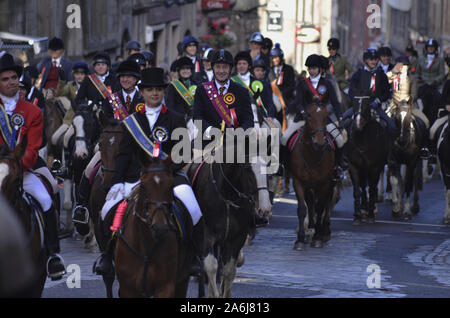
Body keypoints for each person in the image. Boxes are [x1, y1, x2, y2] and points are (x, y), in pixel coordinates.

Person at [95, 67, 205, 276]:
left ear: (163, 92)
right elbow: (124, 155)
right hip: (135, 176)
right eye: (149, 90)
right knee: (106, 209)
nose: (154, 93)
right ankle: (106, 256)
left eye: (158, 89)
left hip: (170, 175)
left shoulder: (175, 117)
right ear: (142, 92)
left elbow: (184, 152)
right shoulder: (131, 122)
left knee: (193, 208)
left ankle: (195, 257)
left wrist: (166, 168)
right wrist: (117, 181)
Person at [0, 53, 65, 280]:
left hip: (23, 170)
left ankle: (53, 254)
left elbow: (33, 146)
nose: (12, 82)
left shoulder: (33, 111)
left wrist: (16, 166)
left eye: (14, 78)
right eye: (6, 79)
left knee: (46, 199)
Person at [73, 60, 143, 234]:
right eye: (123, 77)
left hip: (138, 146)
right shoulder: (111, 99)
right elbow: (103, 123)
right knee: (89, 169)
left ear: (136, 79)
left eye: (130, 77)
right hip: (112, 144)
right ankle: (82, 207)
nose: (126, 80)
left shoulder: (143, 99)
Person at [288, 54, 346, 180]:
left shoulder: (327, 83)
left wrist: (340, 120)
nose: (311, 71)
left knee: (340, 140)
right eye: (309, 68)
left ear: (319, 69)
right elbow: (298, 101)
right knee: (285, 138)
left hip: (322, 119)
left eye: (314, 68)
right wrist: (303, 112)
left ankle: (338, 167)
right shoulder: (302, 83)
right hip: (304, 118)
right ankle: (284, 167)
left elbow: (335, 103)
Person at [343, 48, 395, 138]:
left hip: (375, 105)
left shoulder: (381, 75)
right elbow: (351, 91)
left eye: (375, 59)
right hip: (359, 105)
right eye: (371, 59)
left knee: (391, 126)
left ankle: (389, 150)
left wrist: (378, 100)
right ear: (365, 60)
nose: (373, 62)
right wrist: (356, 101)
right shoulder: (358, 74)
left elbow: (387, 92)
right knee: (344, 121)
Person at [385, 56, 431, 157]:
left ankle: (424, 147)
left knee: (426, 122)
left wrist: (406, 102)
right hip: (394, 107)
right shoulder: (392, 77)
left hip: (409, 107)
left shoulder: (412, 78)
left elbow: (414, 94)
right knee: (382, 122)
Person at [51, 61, 90, 150]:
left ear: (86, 75)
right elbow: (59, 93)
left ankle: (68, 161)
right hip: (70, 119)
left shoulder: (90, 85)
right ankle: (57, 160)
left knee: (66, 138)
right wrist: (61, 81)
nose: (79, 76)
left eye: (82, 74)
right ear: (73, 75)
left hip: (85, 119)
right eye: (77, 74)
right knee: (54, 138)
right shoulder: (70, 85)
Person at [232, 51, 276, 120]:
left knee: (274, 129)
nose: (241, 66)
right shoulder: (232, 81)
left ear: (249, 66)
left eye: (244, 64)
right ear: (236, 66)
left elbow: (269, 102)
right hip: (237, 117)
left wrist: (270, 116)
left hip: (259, 117)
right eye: (239, 64)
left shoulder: (260, 83)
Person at [416, 38, 446, 125]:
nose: (430, 49)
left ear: (435, 49)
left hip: (434, 85)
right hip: (423, 85)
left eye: (432, 47)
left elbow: (442, 74)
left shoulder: (440, 60)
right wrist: (419, 78)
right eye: (429, 47)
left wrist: (436, 81)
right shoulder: (421, 59)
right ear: (426, 48)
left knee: (437, 100)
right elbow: (417, 73)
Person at [166, 56, 199, 122]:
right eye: (183, 69)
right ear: (179, 71)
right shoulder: (173, 86)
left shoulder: (198, 84)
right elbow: (170, 106)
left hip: (196, 120)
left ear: (191, 70)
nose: (185, 71)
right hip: (180, 121)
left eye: (187, 68)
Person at [269, 43, 295, 124]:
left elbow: (292, 85)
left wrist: (281, 94)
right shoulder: (269, 70)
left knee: (289, 121)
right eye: (273, 58)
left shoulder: (288, 69)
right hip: (273, 101)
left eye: (276, 58)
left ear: (281, 58)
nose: (275, 60)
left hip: (286, 100)